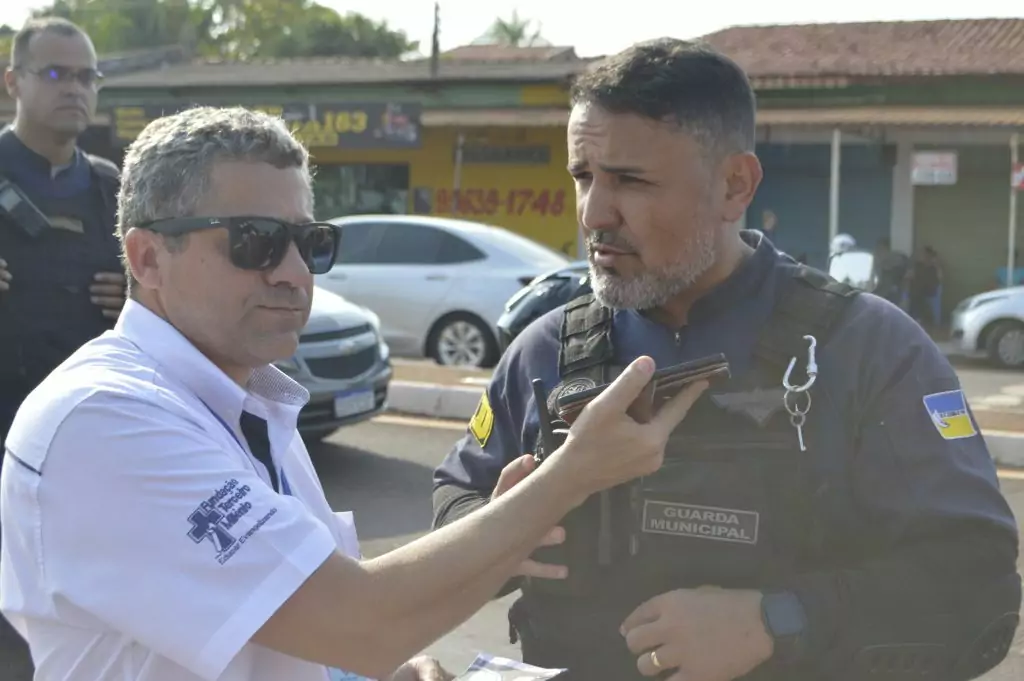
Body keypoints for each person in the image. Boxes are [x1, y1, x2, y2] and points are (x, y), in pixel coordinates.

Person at [0, 105, 708, 681]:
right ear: (148, 256)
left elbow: (310, 622)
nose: (293, 273)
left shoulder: (247, 402)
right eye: (254, 241)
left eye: (309, 243)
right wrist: (570, 476)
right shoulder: (103, 420)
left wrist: (385, 669)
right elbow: (358, 621)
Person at [432, 38, 1021, 681]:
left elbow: (976, 582)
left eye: (631, 180)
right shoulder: (544, 352)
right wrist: (495, 530)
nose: (594, 213)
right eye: (584, 176)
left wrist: (779, 622)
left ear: (734, 186)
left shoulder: (869, 351)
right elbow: (455, 494)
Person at [0, 16, 125, 680]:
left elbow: (161, 293)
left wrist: (137, 295)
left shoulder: (112, 186)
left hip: (85, 439)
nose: (74, 88)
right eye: (55, 73)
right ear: (12, 82)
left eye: (86, 76)